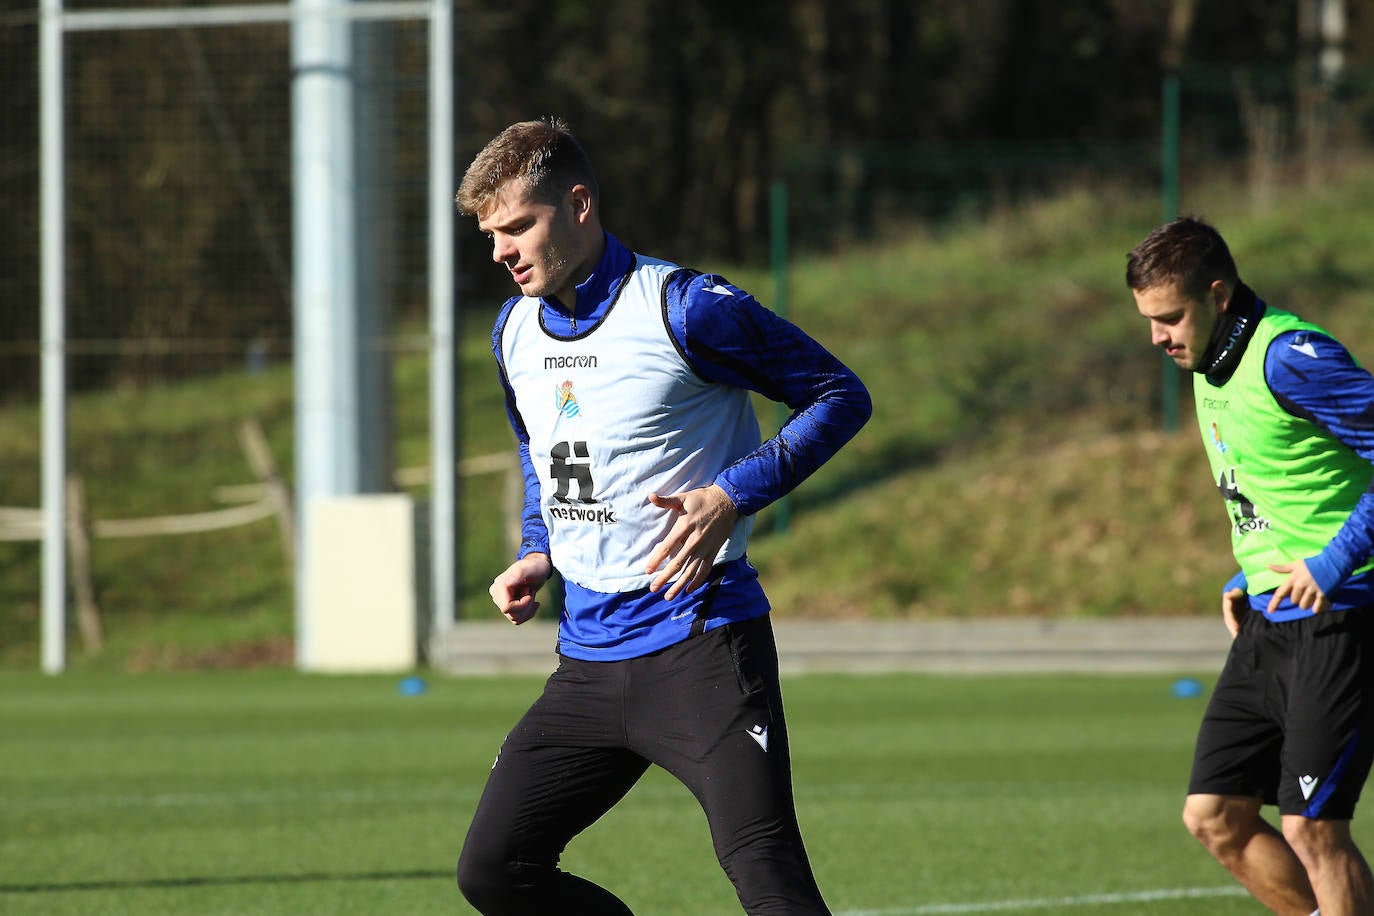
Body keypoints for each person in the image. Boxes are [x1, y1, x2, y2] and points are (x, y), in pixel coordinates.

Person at [452, 117, 872, 915]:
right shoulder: (512, 331)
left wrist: (731, 493)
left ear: (578, 204)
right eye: (490, 234)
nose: (501, 250)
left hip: (703, 646)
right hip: (586, 663)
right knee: (495, 872)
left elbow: (839, 395)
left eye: (517, 227)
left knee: (768, 876)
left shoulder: (687, 307)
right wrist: (538, 549)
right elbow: (540, 454)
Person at [1126, 216, 1374, 916]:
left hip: (1344, 612)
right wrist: (1250, 575)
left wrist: (1333, 562)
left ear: (1219, 294)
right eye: (1148, 320)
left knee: (1312, 827)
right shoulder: (1205, 359)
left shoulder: (1291, 356)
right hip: (1270, 616)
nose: (1158, 337)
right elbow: (1280, 488)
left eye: (1170, 317)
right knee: (1215, 817)